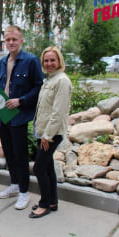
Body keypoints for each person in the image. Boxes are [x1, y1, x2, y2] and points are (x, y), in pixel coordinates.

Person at [0, 25, 44, 210]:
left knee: (20, 154)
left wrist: (21, 101)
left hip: (19, 115)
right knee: (8, 152)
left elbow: (39, 87)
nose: (11, 42)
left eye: (14, 39)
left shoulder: (30, 61)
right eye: (8, 39)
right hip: (4, 114)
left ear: (21, 40)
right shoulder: (1, 62)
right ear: (4, 42)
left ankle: (24, 192)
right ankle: (14, 184)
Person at [30, 47, 72, 218]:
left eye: (52, 60)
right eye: (46, 61)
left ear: (59, 61)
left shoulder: (62, 81)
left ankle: (45, 204)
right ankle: (53, 201)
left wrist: (47, 136)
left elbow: (58, 112)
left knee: (39, 168)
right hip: (44, 131)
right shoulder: (49, 80)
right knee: (47, 167)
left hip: (52, 133)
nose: (49, 63)